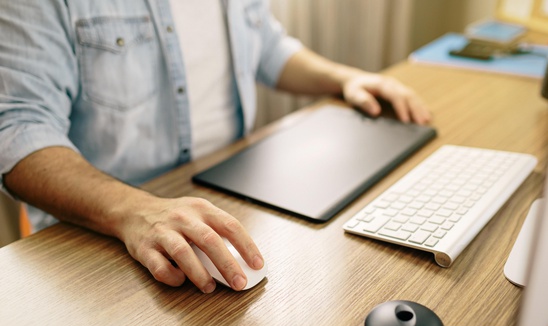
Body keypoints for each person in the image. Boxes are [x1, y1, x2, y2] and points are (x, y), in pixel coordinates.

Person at [0, 0, 431, 293]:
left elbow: (265, 46)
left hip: (235, 200)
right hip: (103, 238)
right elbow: (17, 128)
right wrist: (136, 211)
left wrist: (342, 78)